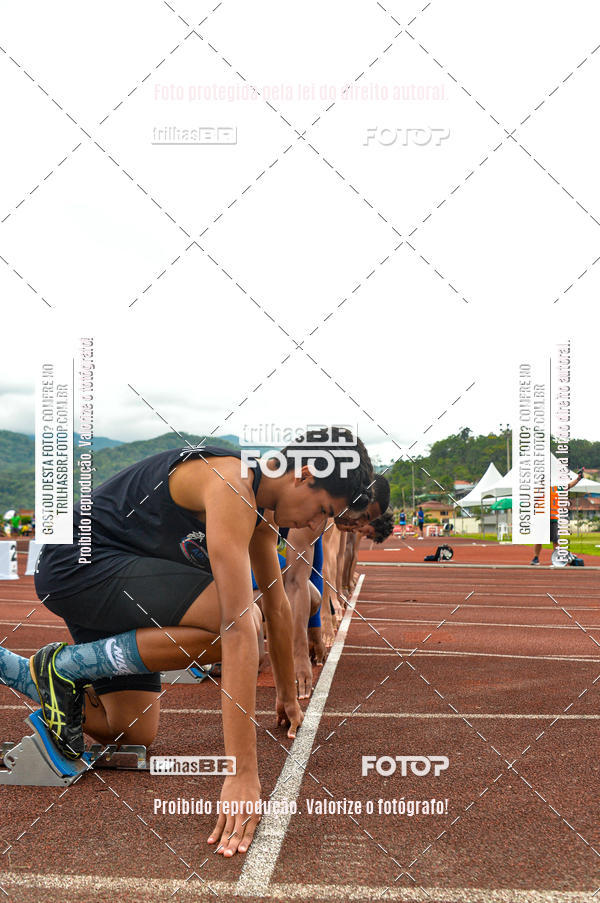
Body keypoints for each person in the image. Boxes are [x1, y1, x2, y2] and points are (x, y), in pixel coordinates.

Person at [1, 432, 374, 858]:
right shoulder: (232, 482)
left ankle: (19, 670)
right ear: (304, 475)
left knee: (129, 730)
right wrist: (241, 773)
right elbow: (237, 628)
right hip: (77, 564)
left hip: (116, 583)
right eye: (323, 510)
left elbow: (277, 603)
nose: (314, 525)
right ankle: (68, 666)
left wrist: (287, 696)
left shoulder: (263, 511)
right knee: (237, 621)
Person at [531, 469, 584, 565]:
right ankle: (536, 558)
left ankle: (556, 559)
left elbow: (568, 486)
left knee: (555, 540)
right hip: (541, 519)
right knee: (539, 540)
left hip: (553, 519)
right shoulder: (537, 490)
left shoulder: (555, 488)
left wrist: (578, 479)